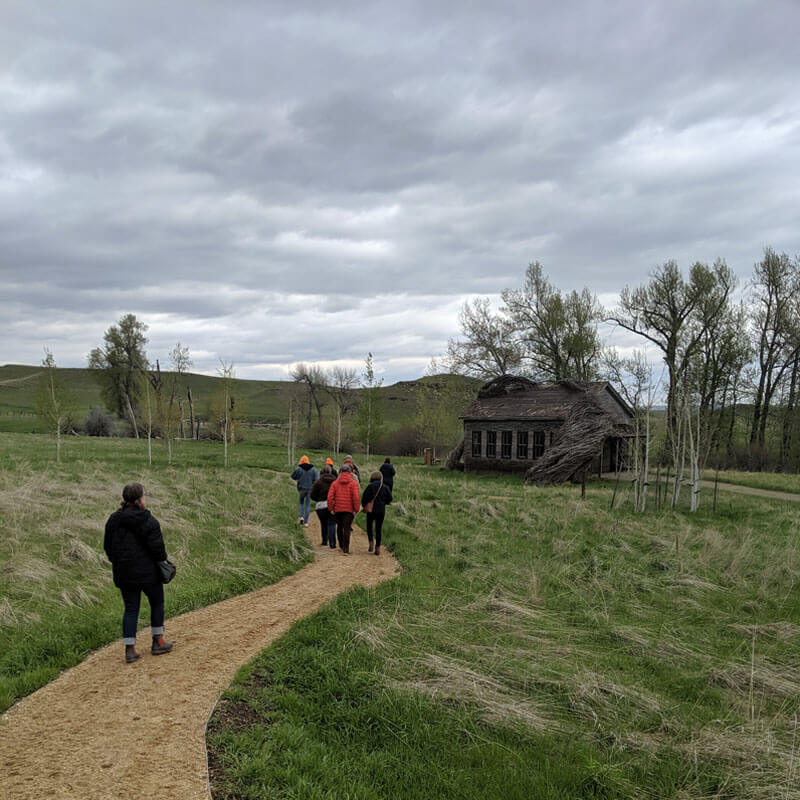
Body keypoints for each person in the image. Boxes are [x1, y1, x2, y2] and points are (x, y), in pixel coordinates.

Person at [104, 482, 174, 664]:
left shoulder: (114, 520)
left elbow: (108, 547)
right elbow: (159, 551)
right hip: (149, 574)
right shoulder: (149, 521)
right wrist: (163, 562)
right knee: (157, 603)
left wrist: (120, 562)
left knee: (131, 609)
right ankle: (158, 642)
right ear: (140, 499)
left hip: (124, 573)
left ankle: (130, 650)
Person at [327, 463, 361, 554]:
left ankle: (341, 545)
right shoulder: (354, 484)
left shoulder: (334, 483)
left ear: (340, 471)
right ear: (350, 472)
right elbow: (356, 497)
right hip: (349, 510)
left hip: (337, 509)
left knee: (339, 526)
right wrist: (356, 509)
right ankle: (346, 548)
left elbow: (330, 497)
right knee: (347, 528)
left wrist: (331, 508)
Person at [361, 471, 393, 555]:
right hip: (381, 510)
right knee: (378, 528)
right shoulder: (385, 487)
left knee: (369, 526)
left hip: (371, 510)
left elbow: (364, 498)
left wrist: (364, 505)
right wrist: (384, 502)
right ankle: (378, 547)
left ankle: (371, 542)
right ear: (380, 478)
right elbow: (390, 498)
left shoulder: (370, 487)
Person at [310, 464, 338, 548]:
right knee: (332, 524)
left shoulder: (318, 482)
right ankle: (332, 543)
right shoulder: (335, 482)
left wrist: (318, 499)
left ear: (322, 471)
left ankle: (324, 541)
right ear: (330, 472)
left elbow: (312, 495)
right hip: (332, 505)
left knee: (323, 523)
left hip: (320, 505)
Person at [291, 455, 319, 526]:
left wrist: (298, 478)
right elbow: (317, 479)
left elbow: (292, 476)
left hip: (301, 489)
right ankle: (306, 522)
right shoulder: (313, 469)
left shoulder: (298, 468)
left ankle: (301, 517)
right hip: (310, 489)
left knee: (301, 503)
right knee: (307, 505)